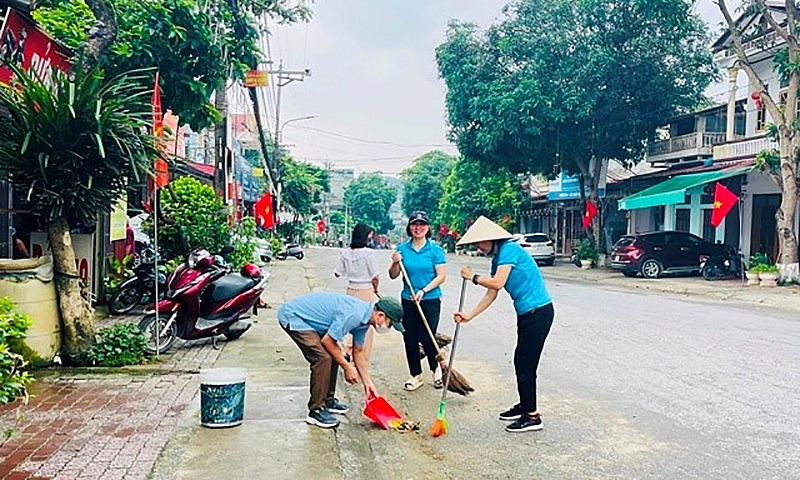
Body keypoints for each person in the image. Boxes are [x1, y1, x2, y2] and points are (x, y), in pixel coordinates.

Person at [453, 216, 555, 433]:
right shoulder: (498, 258)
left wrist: (473, 277)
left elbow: (497, 282)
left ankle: (533, 416)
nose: (478, 248)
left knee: (525, 363)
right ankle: (526, 405)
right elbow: (493, 293)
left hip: (538, 312)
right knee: (521, 362)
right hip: (528, 313)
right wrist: (470, 315)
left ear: (491, 239)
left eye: (480, 243)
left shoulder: (509, 250)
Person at [277, 292, 404, 429]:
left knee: (338, 355)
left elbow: (358, 352)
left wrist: (367, 383)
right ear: (380, 315)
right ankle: (316, 411)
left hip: (311, 321)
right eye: (389, 324)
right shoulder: (354, 315)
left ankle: (328, 400)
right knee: (323, 358)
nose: (388, 328)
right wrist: (347, 367)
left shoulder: (364, 321)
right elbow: (328, 341)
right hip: (294, 316)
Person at [388, 211, 447, 391]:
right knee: (410, 338)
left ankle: (436, 369)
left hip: (430, 299)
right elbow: (393, 275)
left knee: (428, 336)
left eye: (422, 225)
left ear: (427, 228)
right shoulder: (403, 249)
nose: (418, 228)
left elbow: (441, 276)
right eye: (415, 224)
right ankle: (416, 375)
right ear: (409, 227)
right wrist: (395, 262)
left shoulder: (435, 250)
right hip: (408, 300)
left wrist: (423, 290)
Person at [334, 223, 381, 361]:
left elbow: (337, 273)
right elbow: (375, 276)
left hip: (350, 291)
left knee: (351, 322)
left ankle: (347, 349)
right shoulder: (369, 254)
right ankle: (361, 357)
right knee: (367, 326)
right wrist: (376, 289)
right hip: (366, 290)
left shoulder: (345, 253)